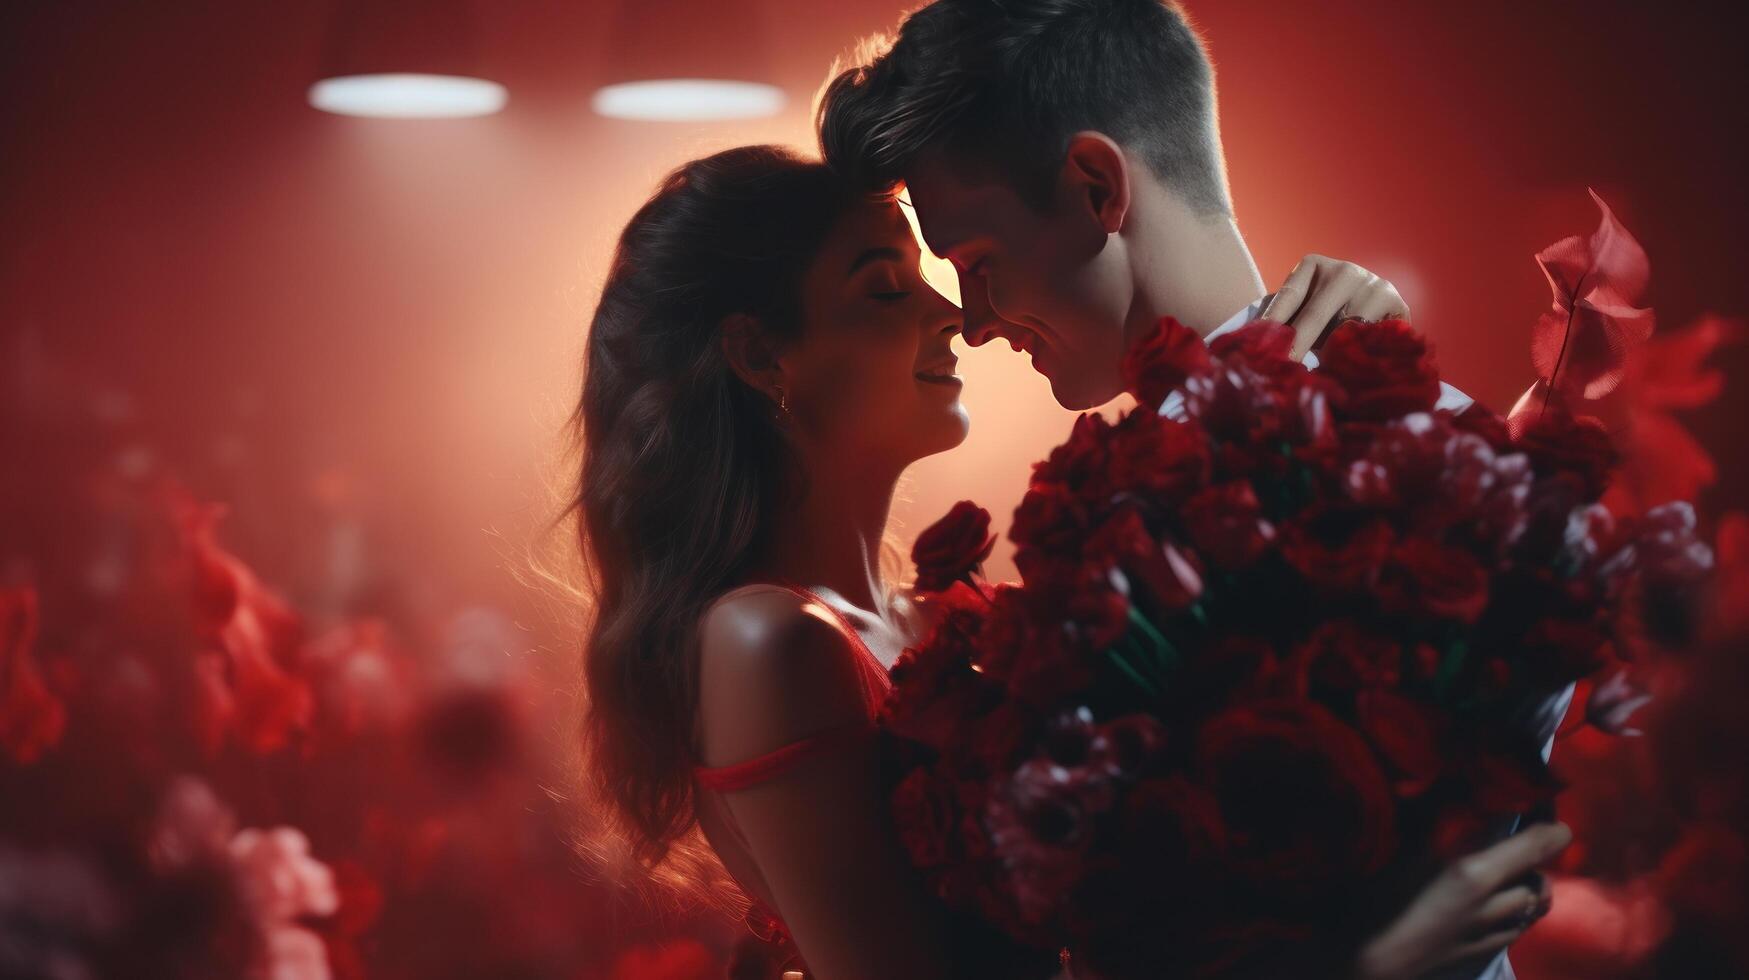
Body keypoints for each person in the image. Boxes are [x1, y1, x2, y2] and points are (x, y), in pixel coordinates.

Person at [572, 144, 1569, 980]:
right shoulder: (765, 638)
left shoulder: (942, 610)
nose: (952, 315)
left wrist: (1349, 360)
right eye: (884, 287)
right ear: (757, 355)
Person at [816, 2, 1573, 976]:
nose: (974, 321)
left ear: (1096, 187)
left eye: (978, 265)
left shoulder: (1375, 475)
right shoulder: (1167, 483)